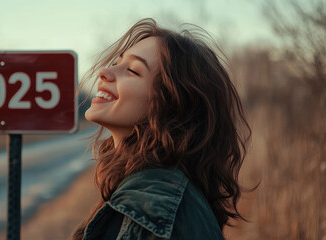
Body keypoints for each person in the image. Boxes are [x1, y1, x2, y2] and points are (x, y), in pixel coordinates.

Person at [72, 18, 251, 240]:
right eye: (117, 62)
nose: (104, 72)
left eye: (132, 71)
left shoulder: (152, 205)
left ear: (171, 105)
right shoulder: (159, 189)